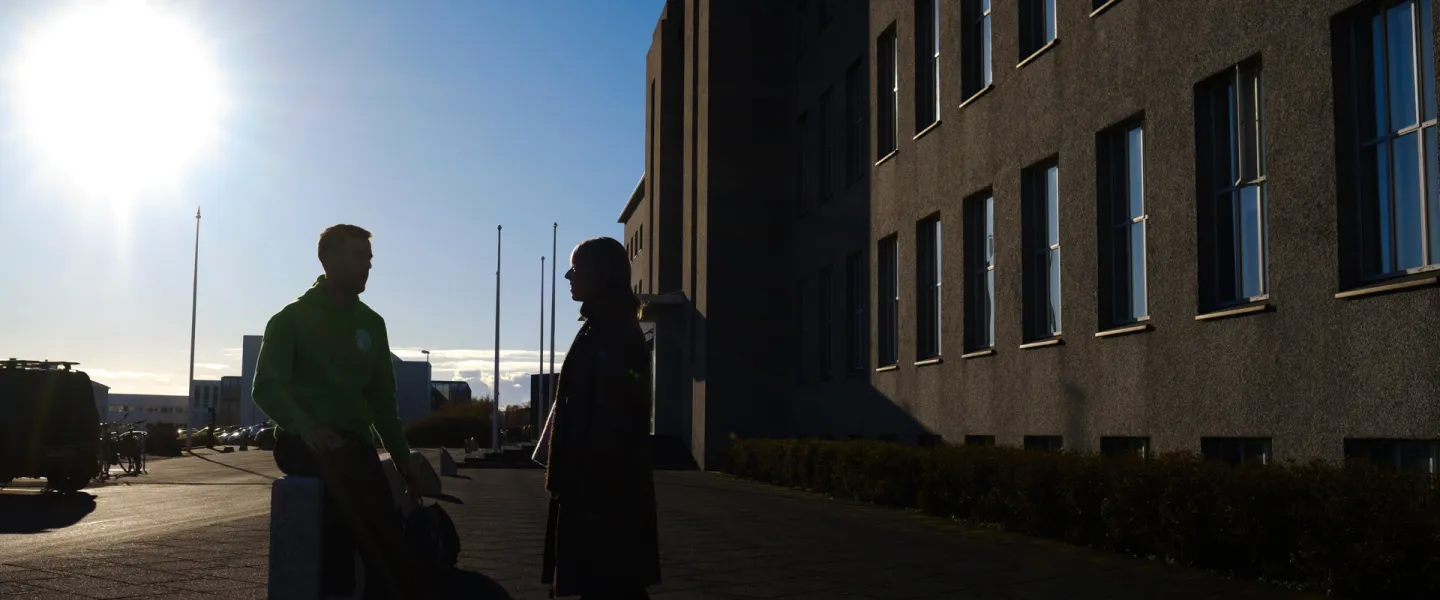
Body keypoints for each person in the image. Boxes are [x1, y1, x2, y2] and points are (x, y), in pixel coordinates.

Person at [251, 224, 422, 599]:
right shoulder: (290, 319)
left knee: (381, 535)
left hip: (354, 450)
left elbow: (382, 400)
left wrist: (402, 457)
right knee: (349, 527)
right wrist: (307, 427)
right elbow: (266, 386)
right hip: (302, 443)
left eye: (370, 258)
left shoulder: (372, 325)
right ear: (328, 259)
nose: (368, 266)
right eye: (359, 256)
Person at [541, 236, 661, 600]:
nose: (567, 276)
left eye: (575, 269)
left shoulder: (610, 334)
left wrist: (590, 495)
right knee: (611, 582)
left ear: (599, 274)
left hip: (600, 492)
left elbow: (611, 419)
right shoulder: (606, 328)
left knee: (607, 582)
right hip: (598, 488)